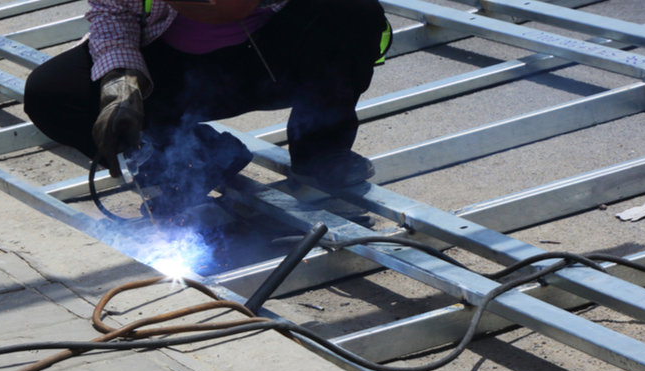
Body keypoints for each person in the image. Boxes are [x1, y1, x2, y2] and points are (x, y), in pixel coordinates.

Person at [24, 0, 391, 216]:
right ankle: (187, 159)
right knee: (52, 94)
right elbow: (113, 13)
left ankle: (320, 152)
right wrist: (121, 84)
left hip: (267, 66)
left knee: (355, 9)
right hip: (172, 74)